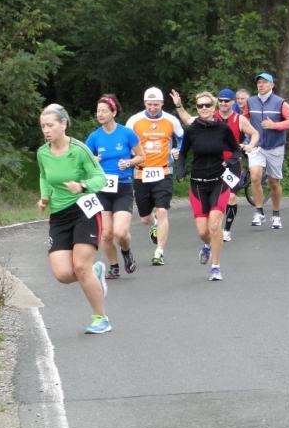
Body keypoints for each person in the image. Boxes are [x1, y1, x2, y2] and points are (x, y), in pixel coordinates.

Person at [37, 103, 112, 334]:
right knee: (63, 274)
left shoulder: (79, 150)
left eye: (50, 125)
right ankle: (95, 273)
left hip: (84, 210)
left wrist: (82, 185)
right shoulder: (42, 152)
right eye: (43, 126)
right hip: (59, 215)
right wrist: (45, 197)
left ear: (63, 124)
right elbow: (44, 176)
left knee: (80, 266)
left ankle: (101, 318)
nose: (46, 130)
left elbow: (100, 178)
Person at [175, 92, 246, 281]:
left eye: (207, 105)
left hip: (218, 182)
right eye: (200, 106)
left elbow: (237, 151)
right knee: (203, 232)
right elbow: (183, 153)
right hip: (198, 184)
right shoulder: (191, 130)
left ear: (214, 108)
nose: (204, 108)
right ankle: (207, 245)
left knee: (214, 226)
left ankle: (215, 267)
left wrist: (229, 161)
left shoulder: (223, 129)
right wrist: (180, 169)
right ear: (197, 109)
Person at [172, 87, 259, 242]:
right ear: (217, 103)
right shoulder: (210, 117)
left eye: (227, 101)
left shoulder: (239, 119)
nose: (223, 103)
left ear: (232, 102)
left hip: (231, 164)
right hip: (213, 165)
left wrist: (250, 145)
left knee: (231, 197)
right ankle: (213, 228)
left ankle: (226, 230)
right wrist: (179, 106)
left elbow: (255, 133)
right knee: (215, 205)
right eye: (221, 100)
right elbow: (188, 120)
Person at [85, 94, 145, 280]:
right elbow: (83, 162)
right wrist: (93, 161)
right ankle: (114, 266)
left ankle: (126, 252)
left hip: (123, 188)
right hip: (102, 190)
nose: (100, 114)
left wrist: (128, 162)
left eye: (104, 111)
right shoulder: (94, 137)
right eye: (98, 111)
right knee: (106, 234)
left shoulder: (126, 133)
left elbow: (141, 156)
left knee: (120, 232)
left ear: (114, 112)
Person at [125, 87, 184, 266]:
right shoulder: (134, 121)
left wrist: (177, 150)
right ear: (144, 103)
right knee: (144, 217)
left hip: (163, 171)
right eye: (149, 104)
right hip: (141, 172)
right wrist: (128, 160)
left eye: (156, 105)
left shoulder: (171, 120)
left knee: (162, 210)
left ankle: (159, 252)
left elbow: (183, 138)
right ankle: (153, 224)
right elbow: (125, 142)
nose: (152, 108)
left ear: (162, 103)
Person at [244, 72, 289, 230]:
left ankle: (276, 215)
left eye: (264, 82)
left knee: (273, 182)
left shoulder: (280, 103)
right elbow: (244, 118)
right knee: (255, 176)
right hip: (257, 146)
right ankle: (259, 212)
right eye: (259, 82)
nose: (261, 85)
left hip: (275, 147)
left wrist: (275, 125)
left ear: (272, 85)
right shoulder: (250, 102)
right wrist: (246, 135)